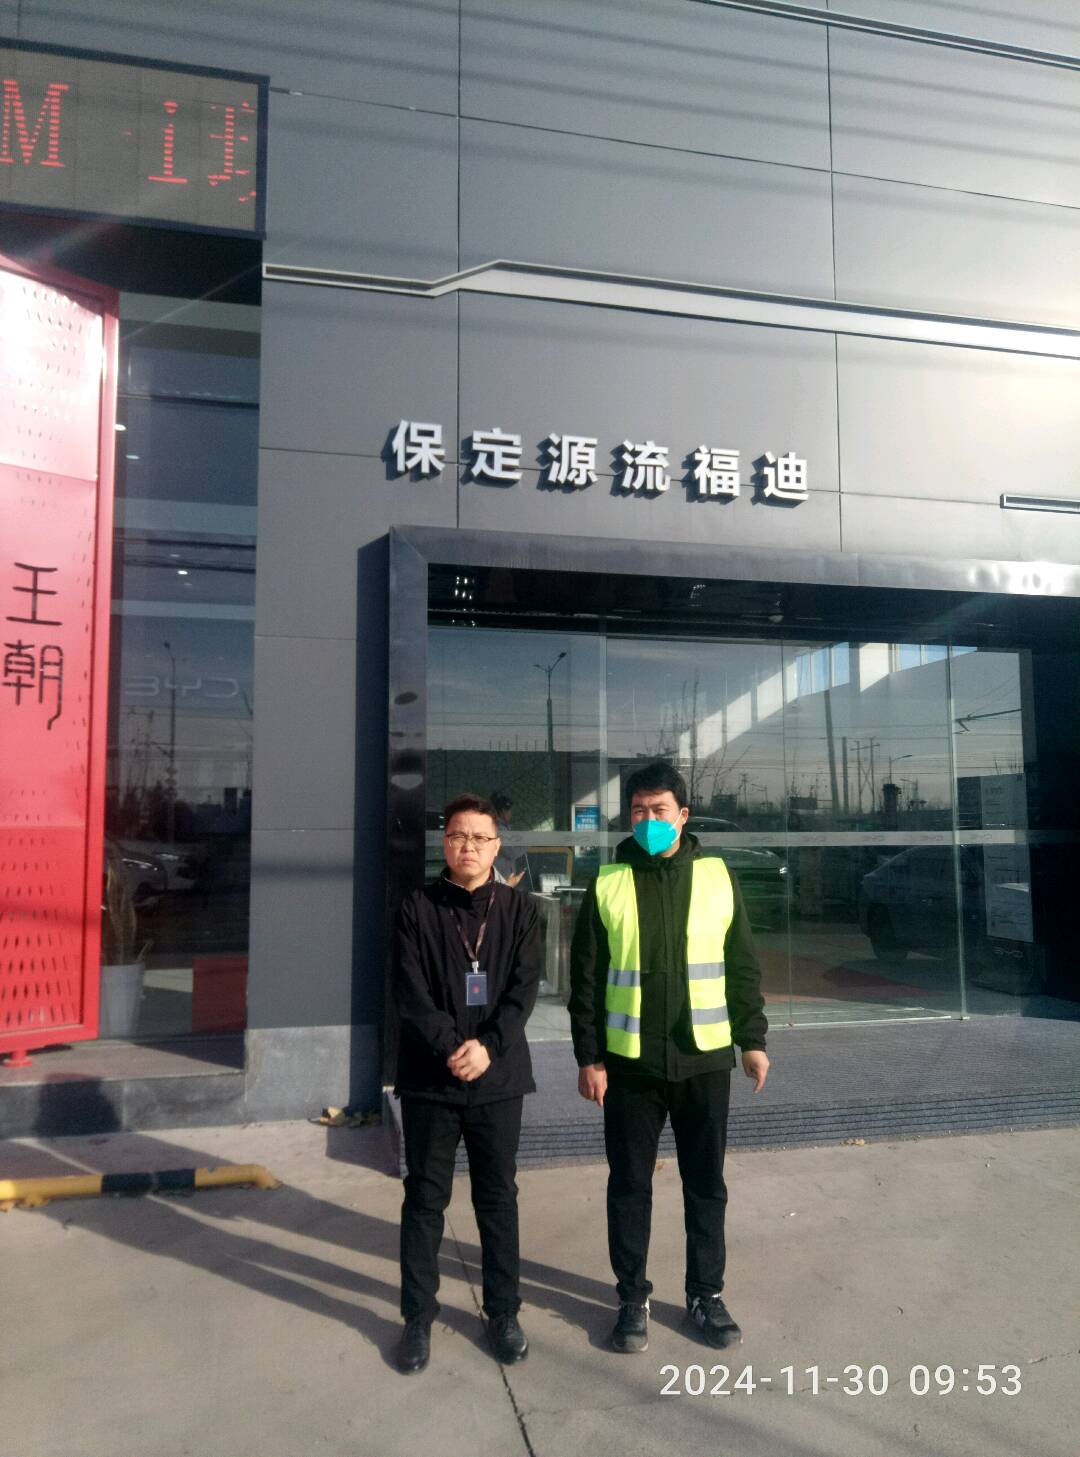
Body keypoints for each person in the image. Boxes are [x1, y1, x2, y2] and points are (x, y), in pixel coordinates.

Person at [568, 760, 769, 1355]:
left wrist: (753, 1040)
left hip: (703, 1059)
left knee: (706, 1184)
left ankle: (706, 1294)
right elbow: (586, 979)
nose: (648, 820)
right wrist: (589, 1057)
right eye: (638, 811)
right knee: (629, 1185)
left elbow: (742, 964)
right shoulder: (608, 882)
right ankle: (632, 1297)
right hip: (630, 1065)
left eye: (659, 810)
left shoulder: (716, 877)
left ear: (683, 815)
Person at [392, 792, 541, 1374]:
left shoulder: (520, 910)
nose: (468, 847)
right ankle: (417, 1317)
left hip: (497, 1081)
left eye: (480, 838)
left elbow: (522, 991)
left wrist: (488, 1046)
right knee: (425, 1200)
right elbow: (409, 991)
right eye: (458, 836)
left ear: (497, 847)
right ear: (444, 843)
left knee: (497, 1199)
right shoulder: (416, 908)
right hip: (432, 1079)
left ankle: (503, 1312)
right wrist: (452, 1047)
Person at [490, 791, 526, 888]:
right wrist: (526, 844)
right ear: (502, 811)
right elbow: (511, 853)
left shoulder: (505, 828)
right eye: (509, 811)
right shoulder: (498, 829)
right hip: (499, 878)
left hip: (504, 878)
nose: (511, 814)